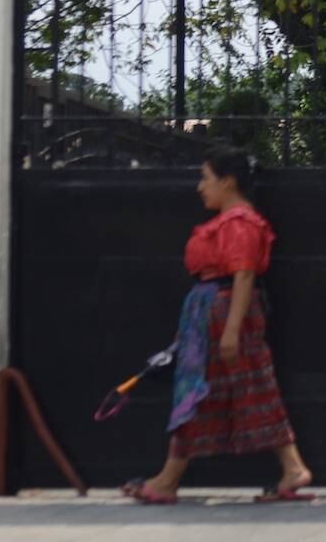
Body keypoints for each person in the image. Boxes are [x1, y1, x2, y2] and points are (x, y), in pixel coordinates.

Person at [121, 143, 314, 504]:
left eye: (205, 178)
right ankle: (292, 468)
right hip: (211, 314)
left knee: (203, 391)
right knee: (240, 389)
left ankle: (167, 481)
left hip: (225, 314)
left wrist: (231, 330)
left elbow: (244, 274)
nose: (200, 186)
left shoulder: (239, 223)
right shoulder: (232, 221)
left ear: (228, 182)